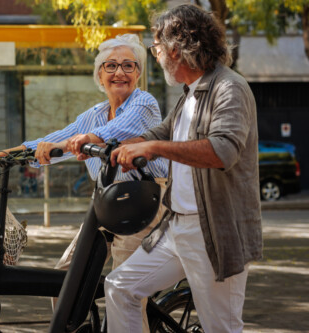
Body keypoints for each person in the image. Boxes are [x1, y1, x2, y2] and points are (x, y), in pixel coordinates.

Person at [69, 5, 261, 333]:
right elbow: (161, 133)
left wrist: (151, 148)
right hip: (176, 229)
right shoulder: (189, 95)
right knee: (120, 287)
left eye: (156, 48)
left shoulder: (230, 89)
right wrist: (100, 136)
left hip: (215, 231)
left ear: (176, 49)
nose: (155, 56)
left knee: (221, 328)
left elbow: (222, 151)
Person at [0, 34, 168, 331]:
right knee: (65, 277)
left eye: (129, 65)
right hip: (109, 203)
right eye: (111, 65)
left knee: (123, 290)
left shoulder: (145, 103)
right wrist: (6, 155)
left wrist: (87, 139)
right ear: (99, 75)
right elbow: (55, 139)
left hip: (145, 204)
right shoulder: (94, 115)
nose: (120, 72)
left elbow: (120, 129)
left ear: (138, 73)